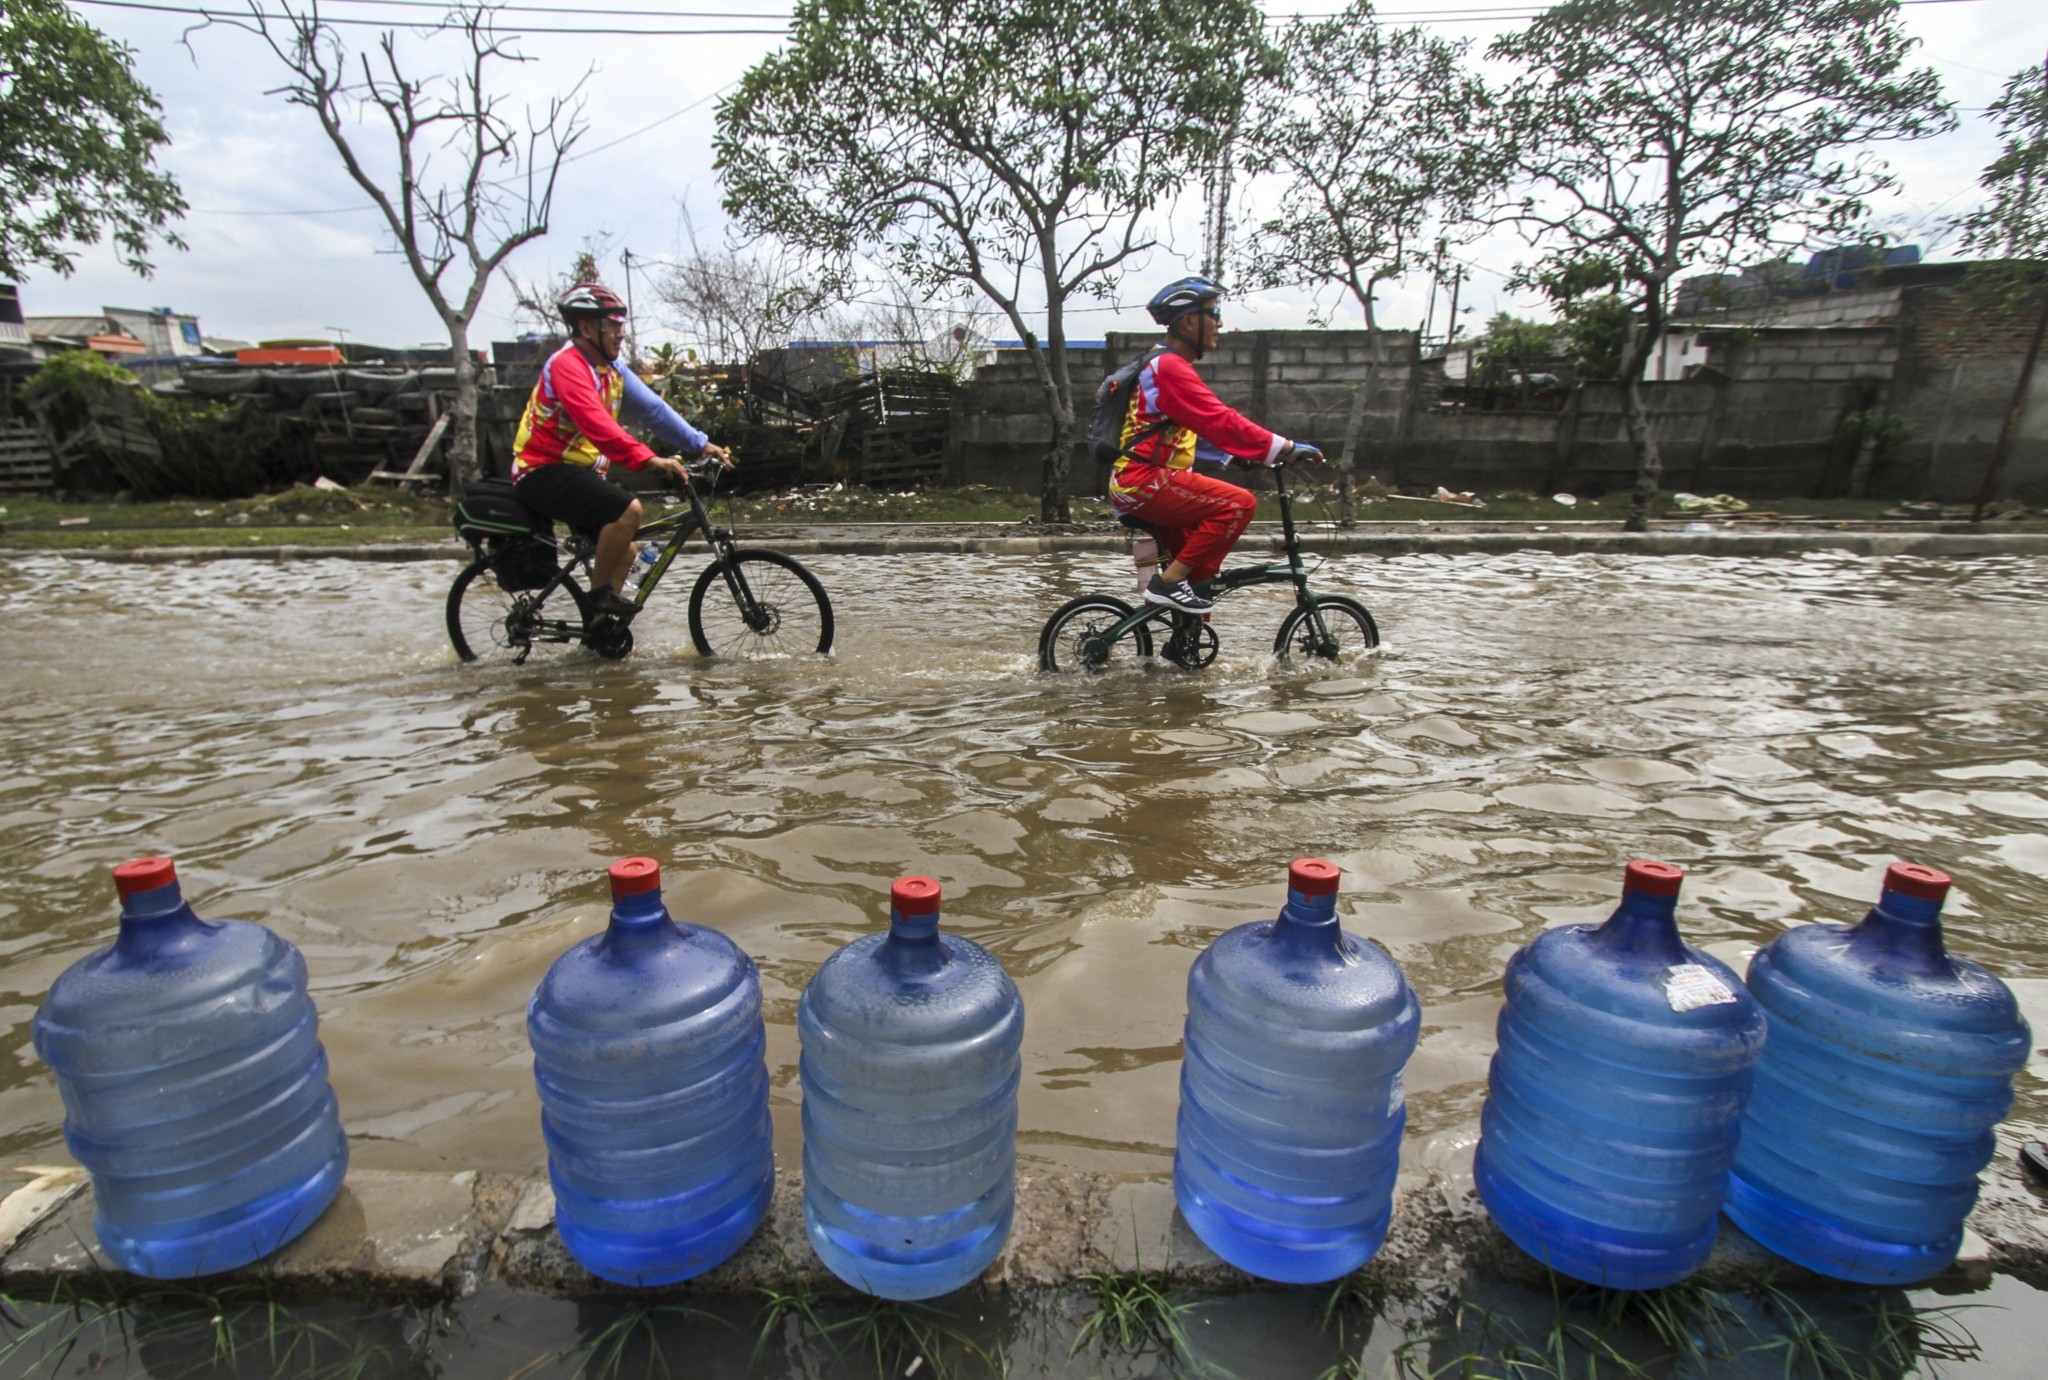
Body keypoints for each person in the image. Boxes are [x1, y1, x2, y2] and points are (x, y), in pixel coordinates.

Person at [511, 283, 729, 620]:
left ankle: (599, 633)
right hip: (541, 470)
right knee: (628, 510)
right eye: (612, 325)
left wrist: (700, 444)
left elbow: (654, 411)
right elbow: (597, 424)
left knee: (626, 552)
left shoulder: (612, 371)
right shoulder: (567, 366)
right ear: (586, 327)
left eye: (621, 326)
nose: (620, 334)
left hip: (578, 473)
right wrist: (648, 458)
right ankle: (597, 599)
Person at [1110, 276, 1320, 615]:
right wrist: (1284, 447)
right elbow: (1219, 419)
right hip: (1147, 481)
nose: (1220, 322)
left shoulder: (1162, 363)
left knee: (1202, 575)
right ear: (1190, 320)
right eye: (1214, 313)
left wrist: (1236, 457)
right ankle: (1167, 583)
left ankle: (1181, 654)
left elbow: (1188, 428)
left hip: (1144, 482)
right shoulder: (1169, 367)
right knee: (1238, 504)